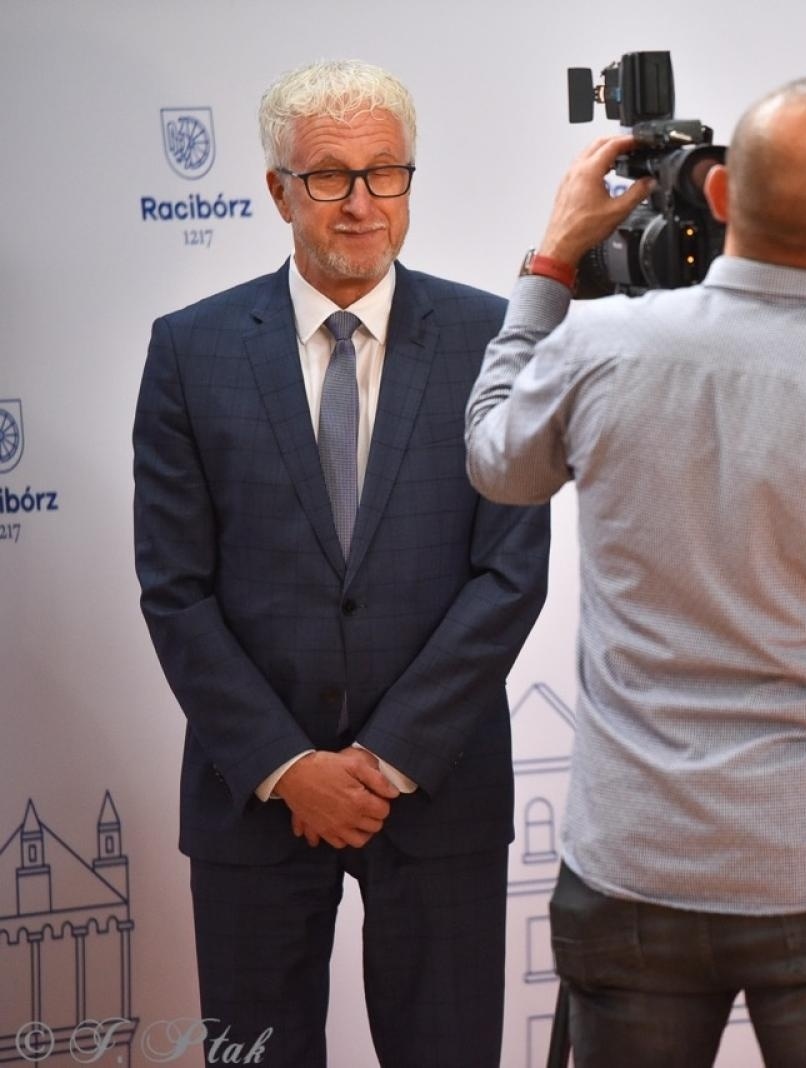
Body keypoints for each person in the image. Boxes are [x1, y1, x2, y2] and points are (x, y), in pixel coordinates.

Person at [464, 80, 806, 1067]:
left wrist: (550, 263)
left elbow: (496, 461)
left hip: (637, 860)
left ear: (718, 196)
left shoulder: (598, 348)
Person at [132, 60, 550, 1067]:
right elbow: (176, 588)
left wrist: (385, 757)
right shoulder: (191, 351)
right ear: (279, 189)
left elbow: (510, 572)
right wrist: (289, 768)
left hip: (439, 788)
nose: (362, 205)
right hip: (257, 795)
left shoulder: (491, 338)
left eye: (385, 173)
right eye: (330, 177)